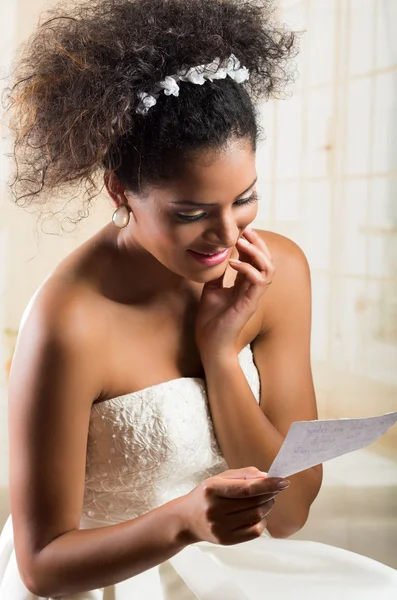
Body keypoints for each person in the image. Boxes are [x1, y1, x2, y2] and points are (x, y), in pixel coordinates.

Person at [0, 0, 396, 598]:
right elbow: (42, 566)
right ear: (121, 189)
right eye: (190, 213)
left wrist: (219, 355)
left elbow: (289, 516)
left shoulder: (277, 274)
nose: (228, 236)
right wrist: (181, 521)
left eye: (244, 198)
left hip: (233, 571)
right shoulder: (69, 322)